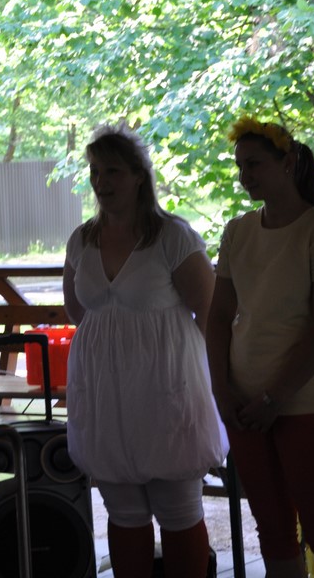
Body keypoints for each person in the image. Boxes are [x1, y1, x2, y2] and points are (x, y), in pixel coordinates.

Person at [62, 125, 225, 578]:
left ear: (138, 176)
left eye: (112, 171)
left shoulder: (172, 236)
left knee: (179, 508)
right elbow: (77, 310)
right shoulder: (82, 239)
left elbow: (211, 313)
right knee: (123, 511)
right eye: (95, 171)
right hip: (105, 393)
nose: (101, 181)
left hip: (167, 389)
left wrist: (219, 384)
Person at [206, 117, 314, 578]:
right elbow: (218, 316)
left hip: (303, 403)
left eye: (254, 164)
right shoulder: (237, 230)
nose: (244, 176)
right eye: (239, 166)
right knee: (272, 528)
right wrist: (221, 390)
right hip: (243, 404)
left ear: (288, 163)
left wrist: (275, 398)